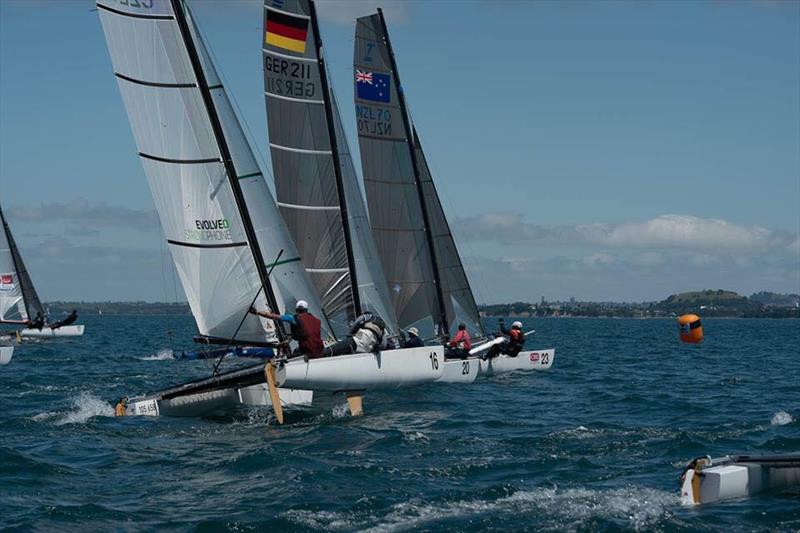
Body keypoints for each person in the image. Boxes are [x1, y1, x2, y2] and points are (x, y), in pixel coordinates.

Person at [250, 300, 324, 360]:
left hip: (308, 352)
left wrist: (257, 312)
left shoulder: (294, 318)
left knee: (293, 353)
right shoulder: (317, 320)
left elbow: (275, 316)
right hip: (320, 351)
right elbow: (307, 334)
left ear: (297, 310)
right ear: (306, 310)